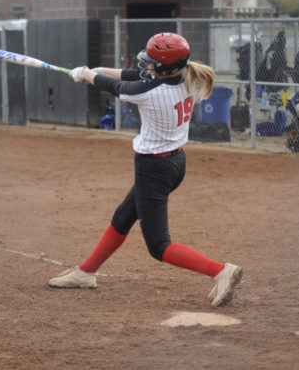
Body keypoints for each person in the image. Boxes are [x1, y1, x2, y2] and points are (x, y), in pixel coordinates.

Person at [47, 32, 243, 307]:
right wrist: (99, 71)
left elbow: (119, 88)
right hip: (173, 163)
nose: (147, 66)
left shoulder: (151, 92)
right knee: (123, 217)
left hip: (154, 168)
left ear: (165, 67)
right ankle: (86, 272)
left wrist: (87, 75)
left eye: (152, 62)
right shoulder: (184, 76)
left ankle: (221, 271)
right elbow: (132, 75)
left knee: (159, 246)